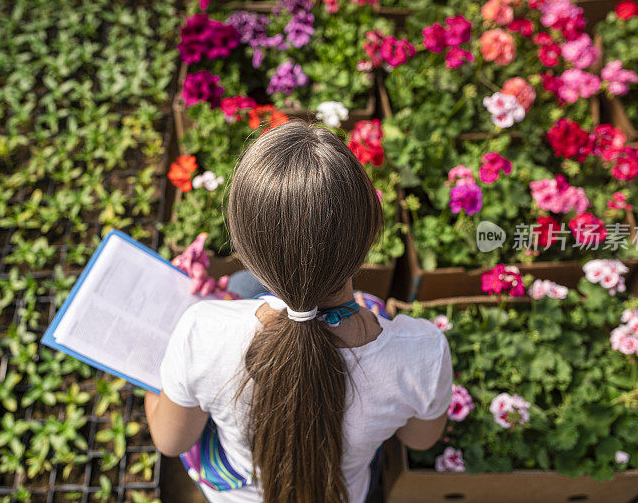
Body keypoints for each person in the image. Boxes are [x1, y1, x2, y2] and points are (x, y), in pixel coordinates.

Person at [145, 121, 453, 503]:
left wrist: (156, 379)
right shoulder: (423, 352)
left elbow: (170, 440)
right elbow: (420, 439)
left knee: (242, 287)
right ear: (371, 233)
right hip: (345, 494)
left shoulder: (202, 332)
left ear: (241, 243)